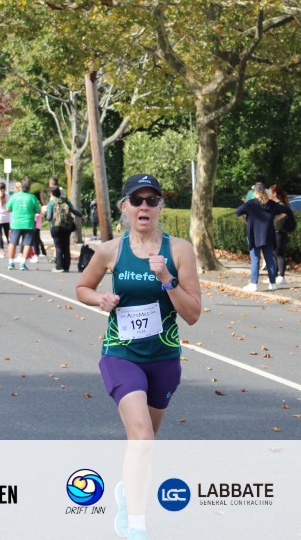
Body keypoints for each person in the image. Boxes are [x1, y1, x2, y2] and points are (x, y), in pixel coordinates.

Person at [75, 174, 201, 540]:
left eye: (151, 200)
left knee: (142, 444)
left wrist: (167, 279)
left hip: (163, 358)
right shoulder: (111, 251)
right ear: (125, 207)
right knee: (142, 436)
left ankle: (126, 491)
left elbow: (193, 314)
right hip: (121, 353)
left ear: (160, 207)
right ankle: (137, 525)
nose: (144, 206)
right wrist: (99, 298)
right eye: (137, 200)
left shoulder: (180, 251)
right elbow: (82, 286)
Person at [235, 182, 290, 292]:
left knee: (255, 260)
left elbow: (238, 213)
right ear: (264, 192)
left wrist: (245, 221)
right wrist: (274, 220)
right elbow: (285, 212)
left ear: (255, 192)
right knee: (269, 259)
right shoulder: (272, 204)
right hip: (268, 235)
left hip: (254, 235)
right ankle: (273, 283)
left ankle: (253, 283)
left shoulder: (250, 204)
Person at [6, 178, 41, 270]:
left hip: (16, 223)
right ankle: (23, 263)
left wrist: (16, 210)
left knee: (12, 243)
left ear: (21, 186)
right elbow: (38, 210)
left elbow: (8, 209)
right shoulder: (32, 197)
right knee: (27, 244)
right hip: (28, 223)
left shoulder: (14, 196)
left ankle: (11, 262)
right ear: (30, 187)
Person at [47, 186, 83, 272]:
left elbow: (49, 217)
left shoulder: (51, 203)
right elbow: (73, 210)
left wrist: (45, 213)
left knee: (58, 247)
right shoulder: (66, 201)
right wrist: (81, 216)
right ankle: (66, 267)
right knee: (66, 247)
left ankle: (59, 267)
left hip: (56, 227)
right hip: (67, 227)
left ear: (52, 194)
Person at [268, 184, 296, 288]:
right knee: (274, 254)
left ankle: (281, 276)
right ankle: (275, 276)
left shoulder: (280, 206)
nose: (268, 195)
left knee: (279, 253)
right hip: (274, 231)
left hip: (279, 232)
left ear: (274, 194)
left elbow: (282, 219)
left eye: (270, 193)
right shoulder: (275, 205)